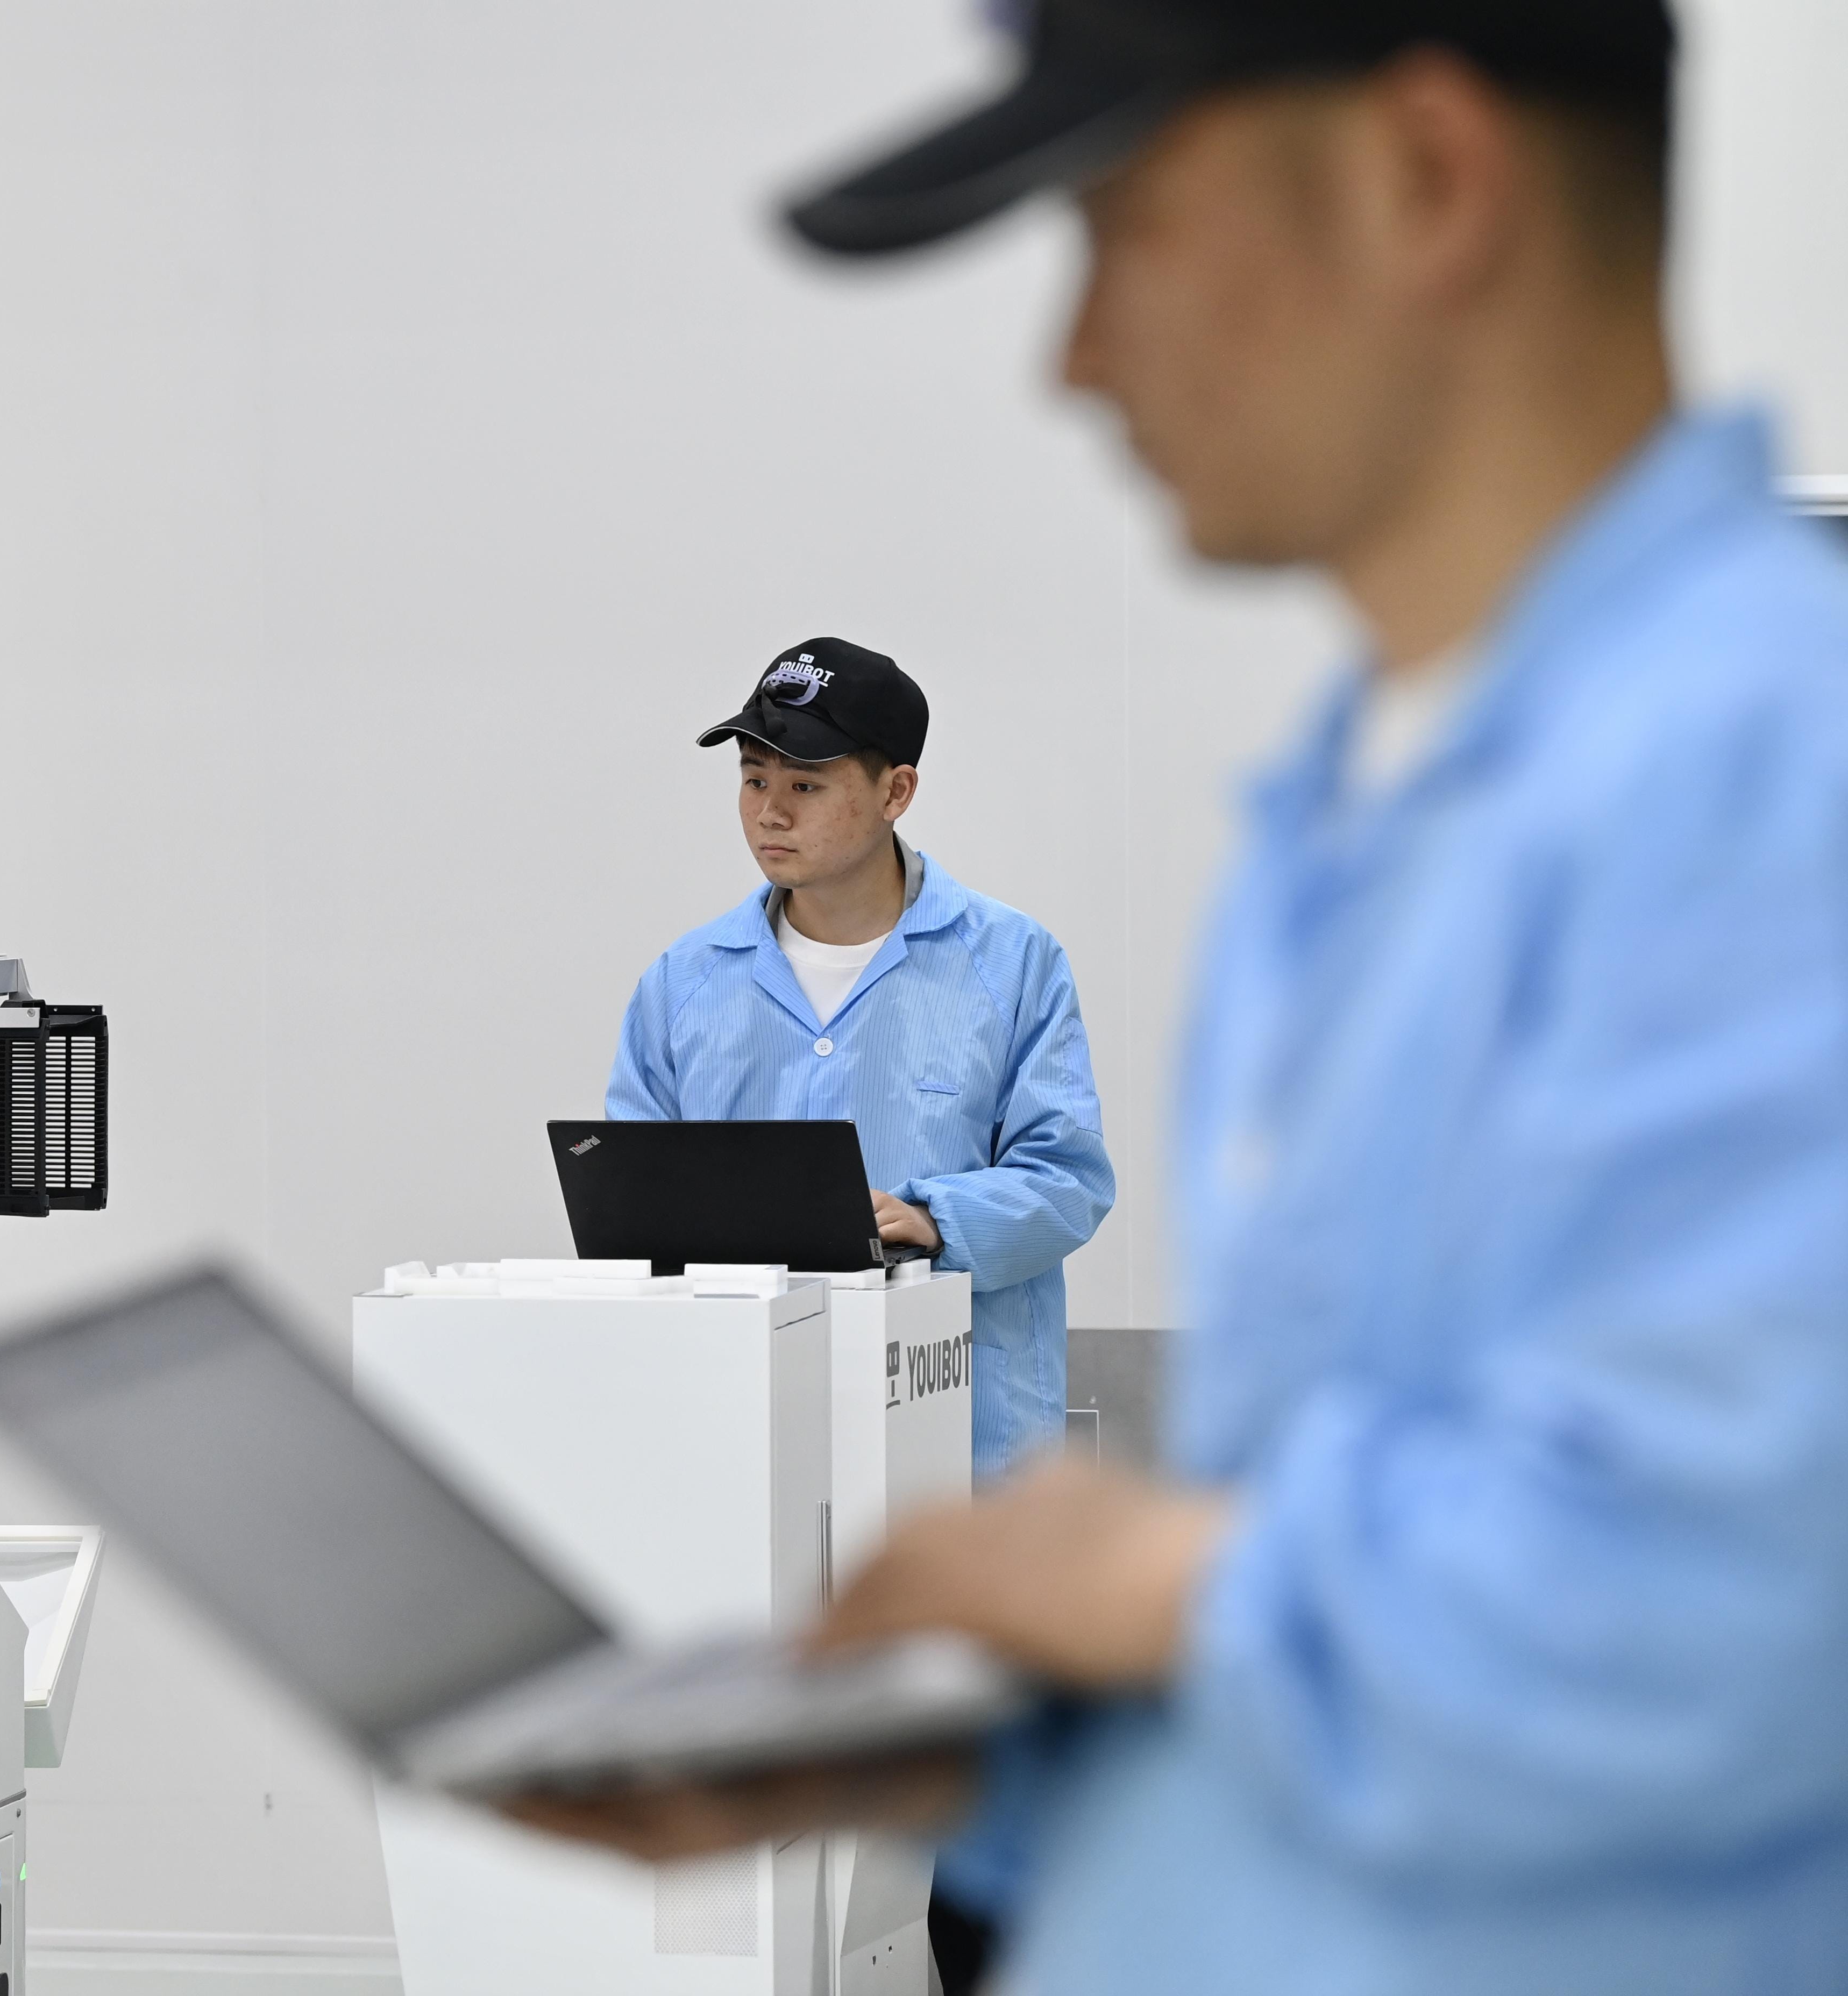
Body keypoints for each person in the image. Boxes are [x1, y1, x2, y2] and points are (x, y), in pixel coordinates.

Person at [518, 2, 1848, 1990]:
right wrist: (974, 1747)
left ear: (1426, 181)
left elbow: (1742, 1618)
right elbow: (1422, 1691)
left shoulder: (1761, 781)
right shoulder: (1366, 814)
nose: (1069, 359)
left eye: (1126, 222)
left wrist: (1159, 1577)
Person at [607, 636, 1114, 1478]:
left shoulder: (1012, 963)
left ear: (896, 792)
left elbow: (1070, 1181)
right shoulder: (684, 982)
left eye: (805, 785)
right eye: (754, 780)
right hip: (746, 1434)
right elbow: (634, 1201)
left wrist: (938, 1221)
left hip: (963, 1432)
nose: (771, 813)